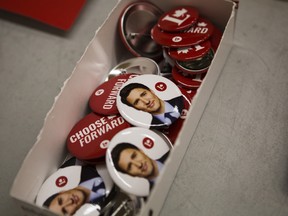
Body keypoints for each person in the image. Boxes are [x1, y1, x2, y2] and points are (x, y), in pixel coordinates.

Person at [119, 83, 184, 128]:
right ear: (136, 108)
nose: (146, 101)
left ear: (151, 91)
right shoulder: (153, 128)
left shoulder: (181, 99)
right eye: (137, 102)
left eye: (144, 94)